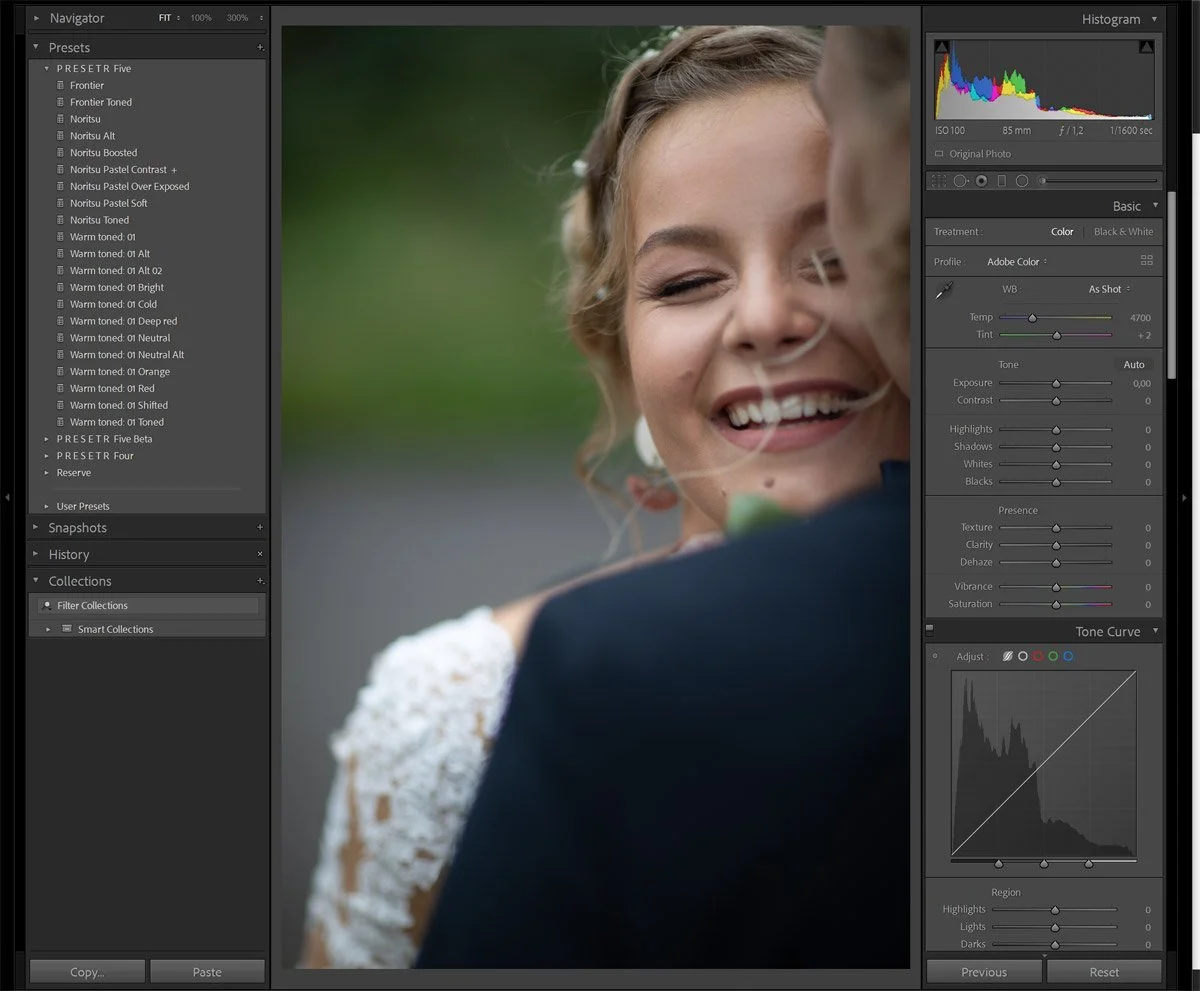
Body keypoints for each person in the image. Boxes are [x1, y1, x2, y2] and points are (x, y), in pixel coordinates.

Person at [303, 24, 909, 968]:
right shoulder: (453, 708)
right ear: (620, 353)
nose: (764, 317)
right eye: (689, 281)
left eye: (834, 258)